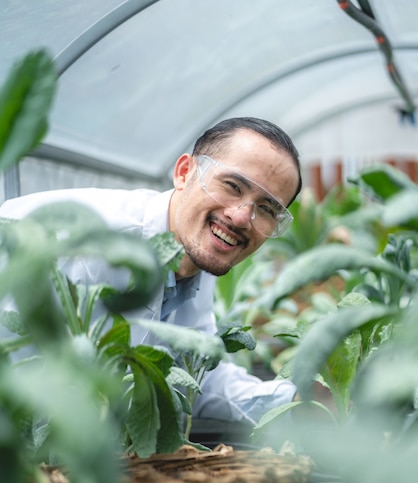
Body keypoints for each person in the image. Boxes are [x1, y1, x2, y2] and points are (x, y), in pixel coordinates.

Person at [0, 117, 302, 434]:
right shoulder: (80, 245)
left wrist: (296, 400)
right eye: (232, 186)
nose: (241, 217)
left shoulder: (197, 247)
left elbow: (193, 375)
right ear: (185, 173)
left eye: (266, 208)